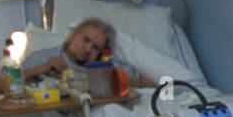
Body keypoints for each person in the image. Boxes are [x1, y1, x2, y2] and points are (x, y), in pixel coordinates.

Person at [22, 17, 157, 89]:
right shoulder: (44, 58)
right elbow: (2, 85)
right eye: (85, 40)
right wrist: (41, 69)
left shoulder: (104, 67)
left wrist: (119, 80)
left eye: (95, 48)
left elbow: (151, 86)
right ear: (74, 35)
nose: (87, 49)